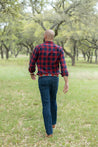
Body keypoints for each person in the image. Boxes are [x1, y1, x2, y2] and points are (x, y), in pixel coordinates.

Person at [29, 30, 69, 137]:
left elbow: (32, 62)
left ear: (45, 36)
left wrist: (31, 72)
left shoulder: (38, 48)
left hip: (43, 78)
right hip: (54, 78)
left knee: (46, 103)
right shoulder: (59, 49)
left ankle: (49, 132)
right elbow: (63, 66)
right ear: (53, 37)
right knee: (53, 100)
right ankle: (53, 123)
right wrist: (66, 82)